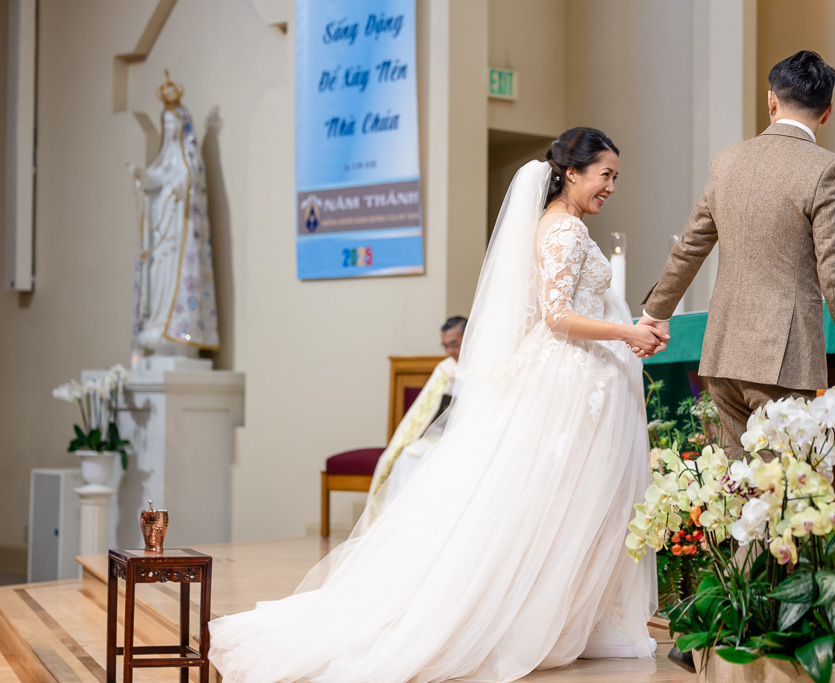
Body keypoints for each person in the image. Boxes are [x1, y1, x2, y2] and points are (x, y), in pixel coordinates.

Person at [209, 127, 667, 682]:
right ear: (572, 172)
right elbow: (557, 316)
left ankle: (562, 614)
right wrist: (626, 333)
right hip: (569, 383)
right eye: (606, 175)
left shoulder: (557, 225)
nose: (612, 186)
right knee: (554, 502)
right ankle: (527, 617)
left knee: (565, 504)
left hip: (574, 379)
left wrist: (626, 332)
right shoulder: (564, 231)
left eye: (615, 176)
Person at [637, 50, 835, 458]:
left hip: (722, 351)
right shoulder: (828, 168)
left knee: (739, 495)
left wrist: (654, 314)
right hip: (782, 359)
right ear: (828, 111)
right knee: (781, 494)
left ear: (771, 100)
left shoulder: (727, 161)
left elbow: (691, 246)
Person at [130, 72, 219, 358]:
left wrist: (183, 189)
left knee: (178, 279)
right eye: (165, 124)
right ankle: (158, 324)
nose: (169, 130)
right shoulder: (164, 159)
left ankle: (182, 331)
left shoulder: (189, 160)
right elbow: (154, 179)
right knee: (157, 275)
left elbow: (192, 183)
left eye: (173, 125)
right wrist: (141, 176)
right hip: (162, 238)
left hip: (182, 236)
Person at [364, 316, 467, 520]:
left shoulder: (487, 365)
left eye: (454, 345)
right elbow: (426, 413)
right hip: (444, 433)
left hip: (471, 435)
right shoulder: (447, 369)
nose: (450, 352)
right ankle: (401, 523)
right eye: (445, 346)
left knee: (438, 459)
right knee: (409, 455)